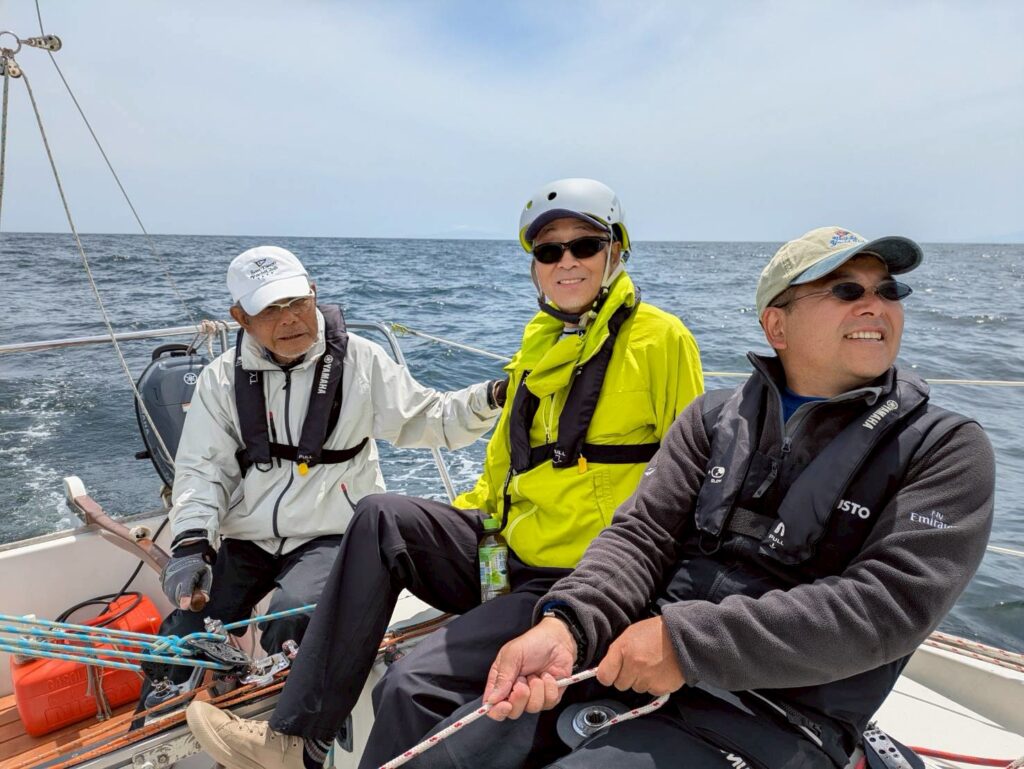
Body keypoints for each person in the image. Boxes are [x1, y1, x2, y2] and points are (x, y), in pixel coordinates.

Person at [185, 178, 705, 769]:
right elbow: (505, 466)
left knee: (406, 686)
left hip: (578, 575)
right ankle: (295, 740)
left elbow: (692, 484)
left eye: (584, 246)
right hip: (509, 546)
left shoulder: (660, 340)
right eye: (548, 250)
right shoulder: (540, 340)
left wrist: (670, 617)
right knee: (381, 516)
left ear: (616, 252)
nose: (566, 262)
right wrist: (460, 524)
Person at [474, 226, 995, 769]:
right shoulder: (710, 419)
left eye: (888, 291)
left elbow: (887, 607)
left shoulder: (946, 449)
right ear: (777, 325)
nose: (875, 306)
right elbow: (640, 537)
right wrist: (568, 624)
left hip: (779, 720)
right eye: (846, 290)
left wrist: (685, 644)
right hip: (629, 668)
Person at [154, 245, 503, 663]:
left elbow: (430, 418)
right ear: (241, 318)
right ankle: (175, 695)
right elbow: (202, 470)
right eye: (270, 309)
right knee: (180, 637)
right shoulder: (220, 379)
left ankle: (286, 700)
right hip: (249, 535)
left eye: (297, 302)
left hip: (332, 531)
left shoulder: (361, 360)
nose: (289, 318)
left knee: (293, 617)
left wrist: (493, 396)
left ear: (314, 294)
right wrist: (192, 544)